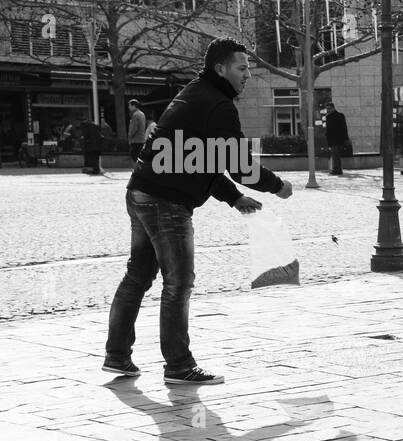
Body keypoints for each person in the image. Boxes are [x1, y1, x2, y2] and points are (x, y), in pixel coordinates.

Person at [104, 38, 294, 386]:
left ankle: (117, 356)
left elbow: (199, 158)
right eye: (242, 67)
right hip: (167, 202)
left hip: (141, 190)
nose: (248, 75)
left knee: (138, 276)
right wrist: (276, 186)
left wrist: (234, 198)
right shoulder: (218, 104)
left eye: (249, 68)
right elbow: (237, 163)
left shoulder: (195, 93)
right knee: (178, 283)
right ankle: (178, 366)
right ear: (220, 68)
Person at [324, 101, 350, 175]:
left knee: (336, 155)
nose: (327, 110)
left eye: (329, 109)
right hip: (335, 139)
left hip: (336, 139)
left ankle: (337, 169)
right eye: (327, 109)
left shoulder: (338, 116)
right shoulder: (330, 116)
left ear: (333, 108)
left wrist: (346, 138)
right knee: (335, 155)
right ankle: (337, 169)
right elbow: (328, 130)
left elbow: (344, 127)